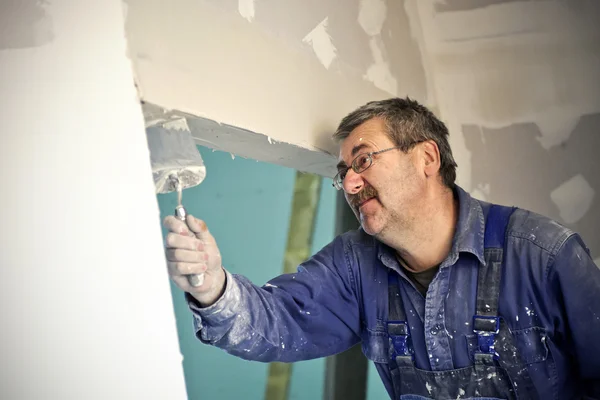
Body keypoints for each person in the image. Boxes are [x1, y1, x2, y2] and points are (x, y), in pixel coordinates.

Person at [163, 98, 600, 399]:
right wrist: (212, 286)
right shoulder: (353, 265)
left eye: (364, 160)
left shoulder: (541, 255)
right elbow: (280, 322)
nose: (350, 184)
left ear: (426, 158)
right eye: (344, 173)